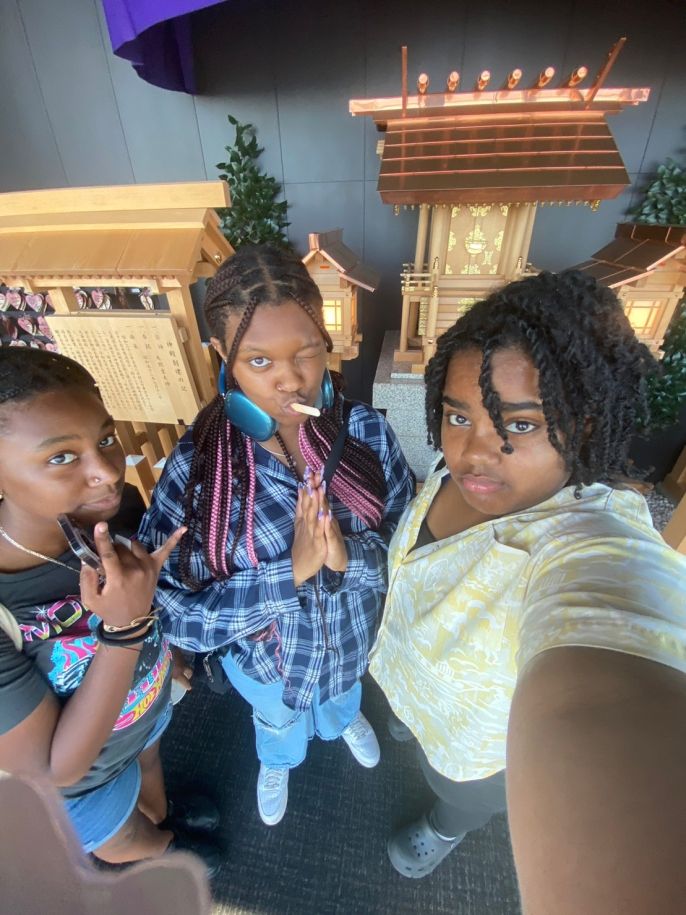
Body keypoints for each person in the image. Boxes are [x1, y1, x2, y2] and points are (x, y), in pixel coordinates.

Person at [369, 270, 686, 912]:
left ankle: (445, 828)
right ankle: (408, 723)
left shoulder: (585, 539)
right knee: (409, 727)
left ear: (586, 425)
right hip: (403, 675)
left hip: (472, 747)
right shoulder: (454, 470)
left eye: (518, 425)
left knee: (460, 791)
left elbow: (614, 636)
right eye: (459, 415)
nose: (474, 453)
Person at [139, 244, 414, 826]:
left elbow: (409, 546)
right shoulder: (196, 470)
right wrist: (288, 574)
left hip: (350, 649)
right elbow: (169, 613)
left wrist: (352, 556)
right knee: (277, 723)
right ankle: (279, 760)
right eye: (259, 362)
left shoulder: (367, 433)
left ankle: (341, 723)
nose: (291, 379)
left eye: (306, 353)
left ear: (326, 341)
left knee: (343, 702)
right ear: (223, 357)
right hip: (267, 669)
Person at [0, 348, 221, 873]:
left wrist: (162, 652)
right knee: (125, 837)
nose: (106, 471)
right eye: (61, 457)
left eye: (104, 439)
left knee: (149, 770)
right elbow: (54, 769)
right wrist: (125, 631)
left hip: (142, 715)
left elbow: (138, 600)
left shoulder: (102, 516)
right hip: (85, 785)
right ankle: (164, 850)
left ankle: (162, 813)